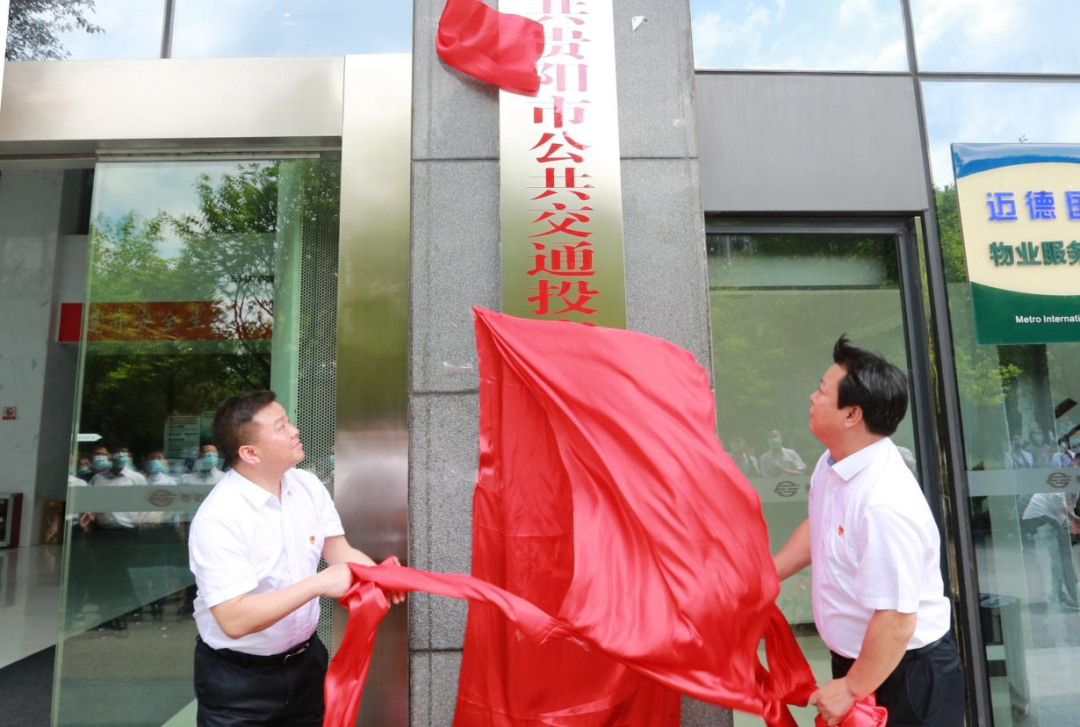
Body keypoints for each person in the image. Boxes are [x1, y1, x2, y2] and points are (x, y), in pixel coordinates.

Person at [773, 336, 963, 726]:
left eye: (822, 391)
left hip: (905, 674)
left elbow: (896, 620)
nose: (812, 398)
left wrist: (851, 688)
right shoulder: (833, 463)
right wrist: (766, 575)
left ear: (852, 415)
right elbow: (820, 528)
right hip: (862, 662)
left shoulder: (884, 503)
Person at [188, 390, 404, 726]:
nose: (294, 431)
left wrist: (381, 577)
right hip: (238, 683)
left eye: (288, 421)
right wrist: (318, 584)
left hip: (307, 666)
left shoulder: (306, 486)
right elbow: (234, 619)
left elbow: (340, 552)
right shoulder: (218, 518)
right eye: (281, 427)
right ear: (250, 453)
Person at [1021, 492, 1080, 609]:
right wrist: (1072, 519)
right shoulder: (1066, 484)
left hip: (1039, 516)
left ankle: (1057, 594)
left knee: (1058, 560)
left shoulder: (1073, 488)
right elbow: (1057, 503)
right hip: (1041, 517)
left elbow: (1067, 506)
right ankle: (1074, 598)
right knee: (1064, 560)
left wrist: (1071, 522)